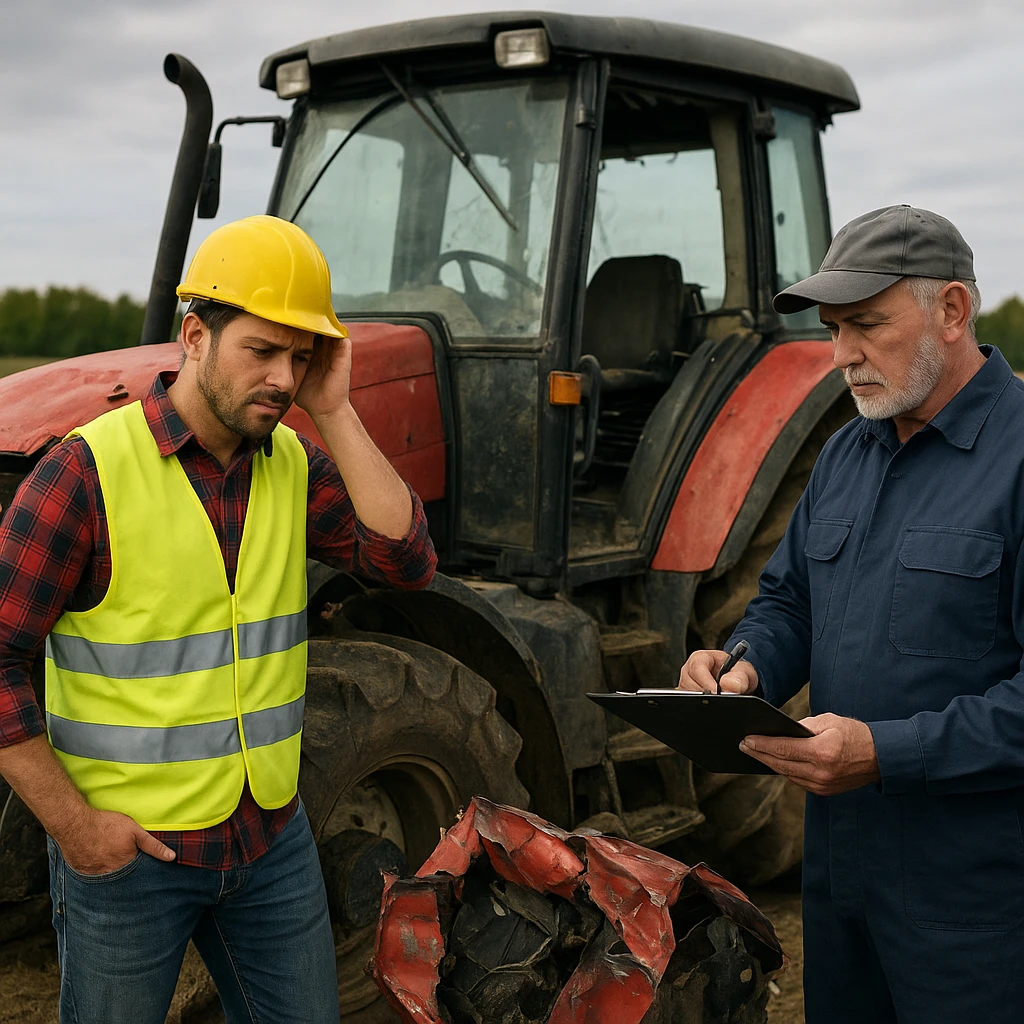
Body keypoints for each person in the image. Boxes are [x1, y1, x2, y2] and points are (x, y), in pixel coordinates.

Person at [0, 215, 436, 1023]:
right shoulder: (84, 474)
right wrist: (77, 831)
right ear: (195, 336)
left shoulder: (295, 465)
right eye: (262, 351)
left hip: (271, 845)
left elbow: (406, 563)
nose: (282, 377)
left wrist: (334, 410)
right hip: (131, 864)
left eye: (300, 358)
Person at [677, 205, 1024, 1023]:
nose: (842, 357)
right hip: (841, 883)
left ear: (951, 309)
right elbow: (790, 599)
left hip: (977, 902)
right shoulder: (846, 454)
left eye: (866, 325)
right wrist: (748, 661)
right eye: (834, 330)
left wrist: (886, 753)